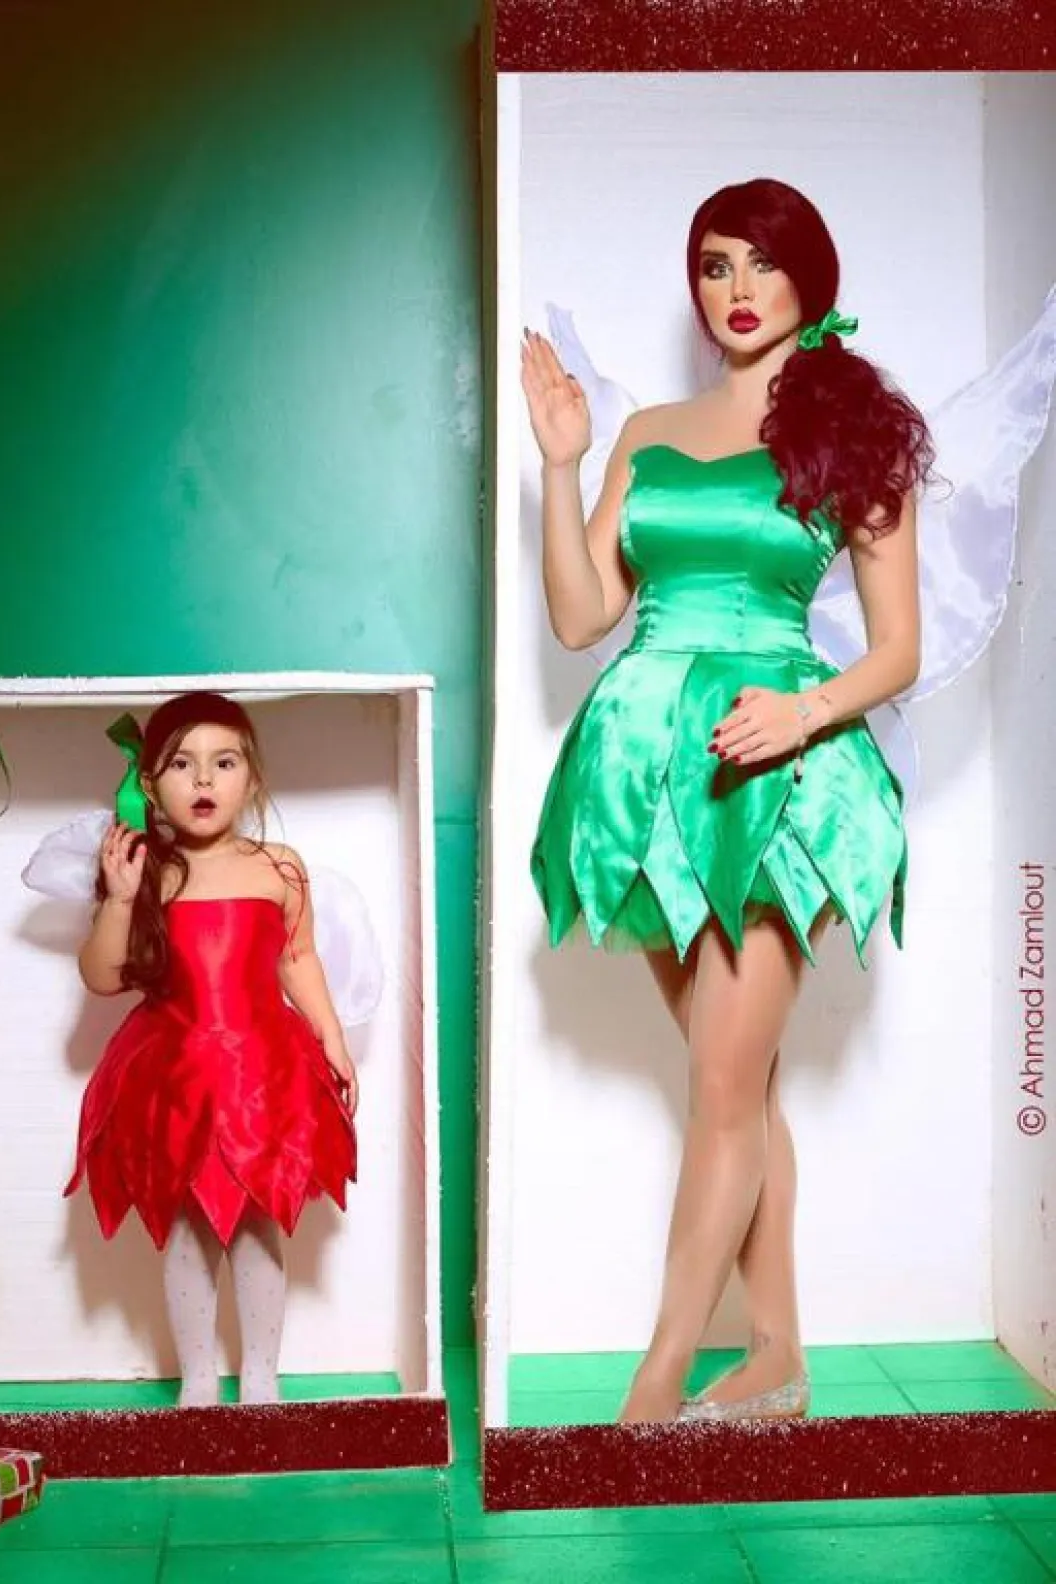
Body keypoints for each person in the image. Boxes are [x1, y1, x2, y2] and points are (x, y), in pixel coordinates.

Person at [522, 177, 931, 1424]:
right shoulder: (646, 430)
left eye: (763, 261)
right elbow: (584, 618)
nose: (738, 289)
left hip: (775, 776)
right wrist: (564, 464)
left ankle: (654, 1389)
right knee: (736, 1086)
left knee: (720, 1087)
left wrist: (802, 714)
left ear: (812, 276)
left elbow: (897, 649)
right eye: (715, 265)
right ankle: (776, 1361)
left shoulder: (856, 432)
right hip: (647, 775)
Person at [66, 690, 358, 1407]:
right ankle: (198, 1380)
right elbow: (101, 976)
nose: (203, 779)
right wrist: (120, 899)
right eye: (182, 764)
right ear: (150, 785)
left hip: (260, 1071)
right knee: (190, 1227)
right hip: (178, 1075)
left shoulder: (279, 867)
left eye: (224, 763)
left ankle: (260, 1377)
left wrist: (332, 1036)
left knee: (257, 1223)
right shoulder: (148, 872)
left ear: (251, 779)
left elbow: (298, 957)